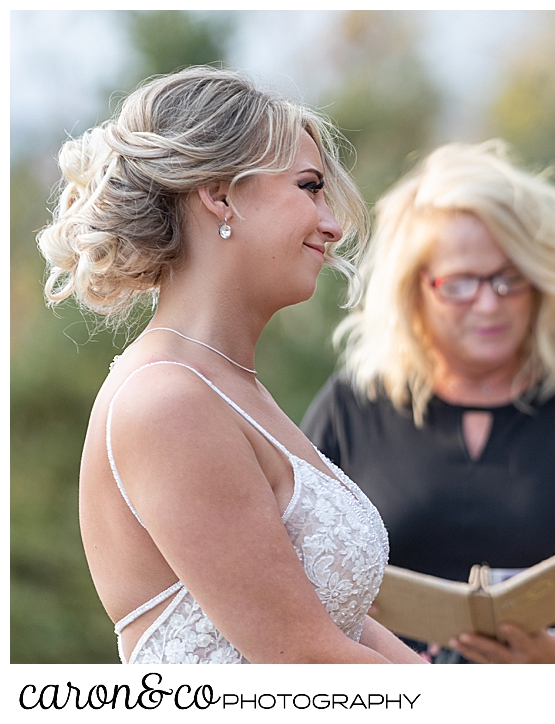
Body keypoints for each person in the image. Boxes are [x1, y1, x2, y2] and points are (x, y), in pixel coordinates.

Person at [36, 66, 426, 664]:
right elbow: (303, 660)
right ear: (220, 194)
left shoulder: (228, 386)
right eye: (309, 186)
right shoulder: (167, 402)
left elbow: (334, 627)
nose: (334, 224)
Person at [301, 140, 555, 664]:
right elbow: (297, 579)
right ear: (414, 288)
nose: (489, 303)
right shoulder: (350, 408)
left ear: (542, 282)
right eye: (460, 283)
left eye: (509, 278)